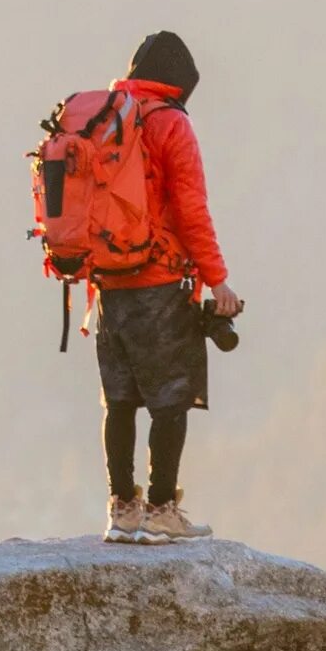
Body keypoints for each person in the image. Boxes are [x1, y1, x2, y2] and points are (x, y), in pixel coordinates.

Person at [97, 30, 243, 545]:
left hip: (108, 282)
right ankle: (161, 510)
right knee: (169, 400)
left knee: (119, 400)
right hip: (159, 282)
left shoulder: (108, 119)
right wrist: (217, 280)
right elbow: (190, 210)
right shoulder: (169, 124)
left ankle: (122, 509)